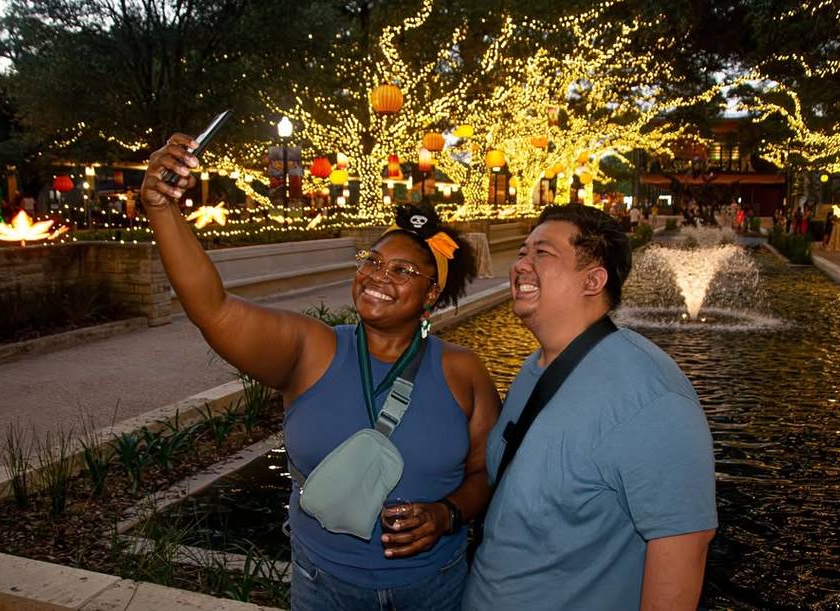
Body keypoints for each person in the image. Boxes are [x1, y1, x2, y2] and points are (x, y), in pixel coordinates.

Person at [142, 134, 500, 611]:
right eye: (371, 261)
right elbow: (213, 310)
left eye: (401, 271)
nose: (376, 276)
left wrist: (447, 514)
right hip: (324, 584)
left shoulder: (463, 370)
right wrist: (162, 210)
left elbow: (485, 472)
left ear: (431, 295)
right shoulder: (312, 349)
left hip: (433, 585)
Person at [462, 204, 717, 610]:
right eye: (523, 251)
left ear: (593, 280)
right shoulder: (535, 367)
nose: (521, 265)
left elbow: (682, 547)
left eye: (542, 253)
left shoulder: (651, 397)